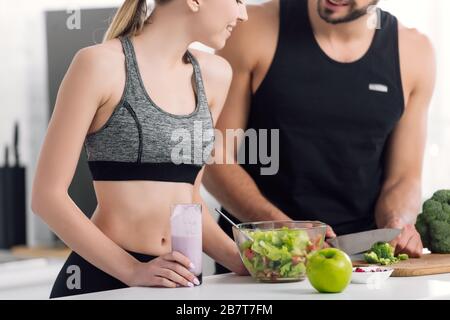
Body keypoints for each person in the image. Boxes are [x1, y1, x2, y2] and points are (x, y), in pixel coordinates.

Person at [31, 0, 248, 298]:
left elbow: (189, 201)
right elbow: (47, 198)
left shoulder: (215, 75)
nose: (243, 13)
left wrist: (248, 260)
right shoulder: (99, 64)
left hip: (177, 280)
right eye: (236, 0)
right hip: (104, 279)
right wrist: (133, 270)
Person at [203, 0, 436, 274]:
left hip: (360, 264)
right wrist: (284, 230)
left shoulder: (414, 52)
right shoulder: (251, 29)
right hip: (262, 260)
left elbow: (404, 178)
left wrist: (396, 221)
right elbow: (214, 157)